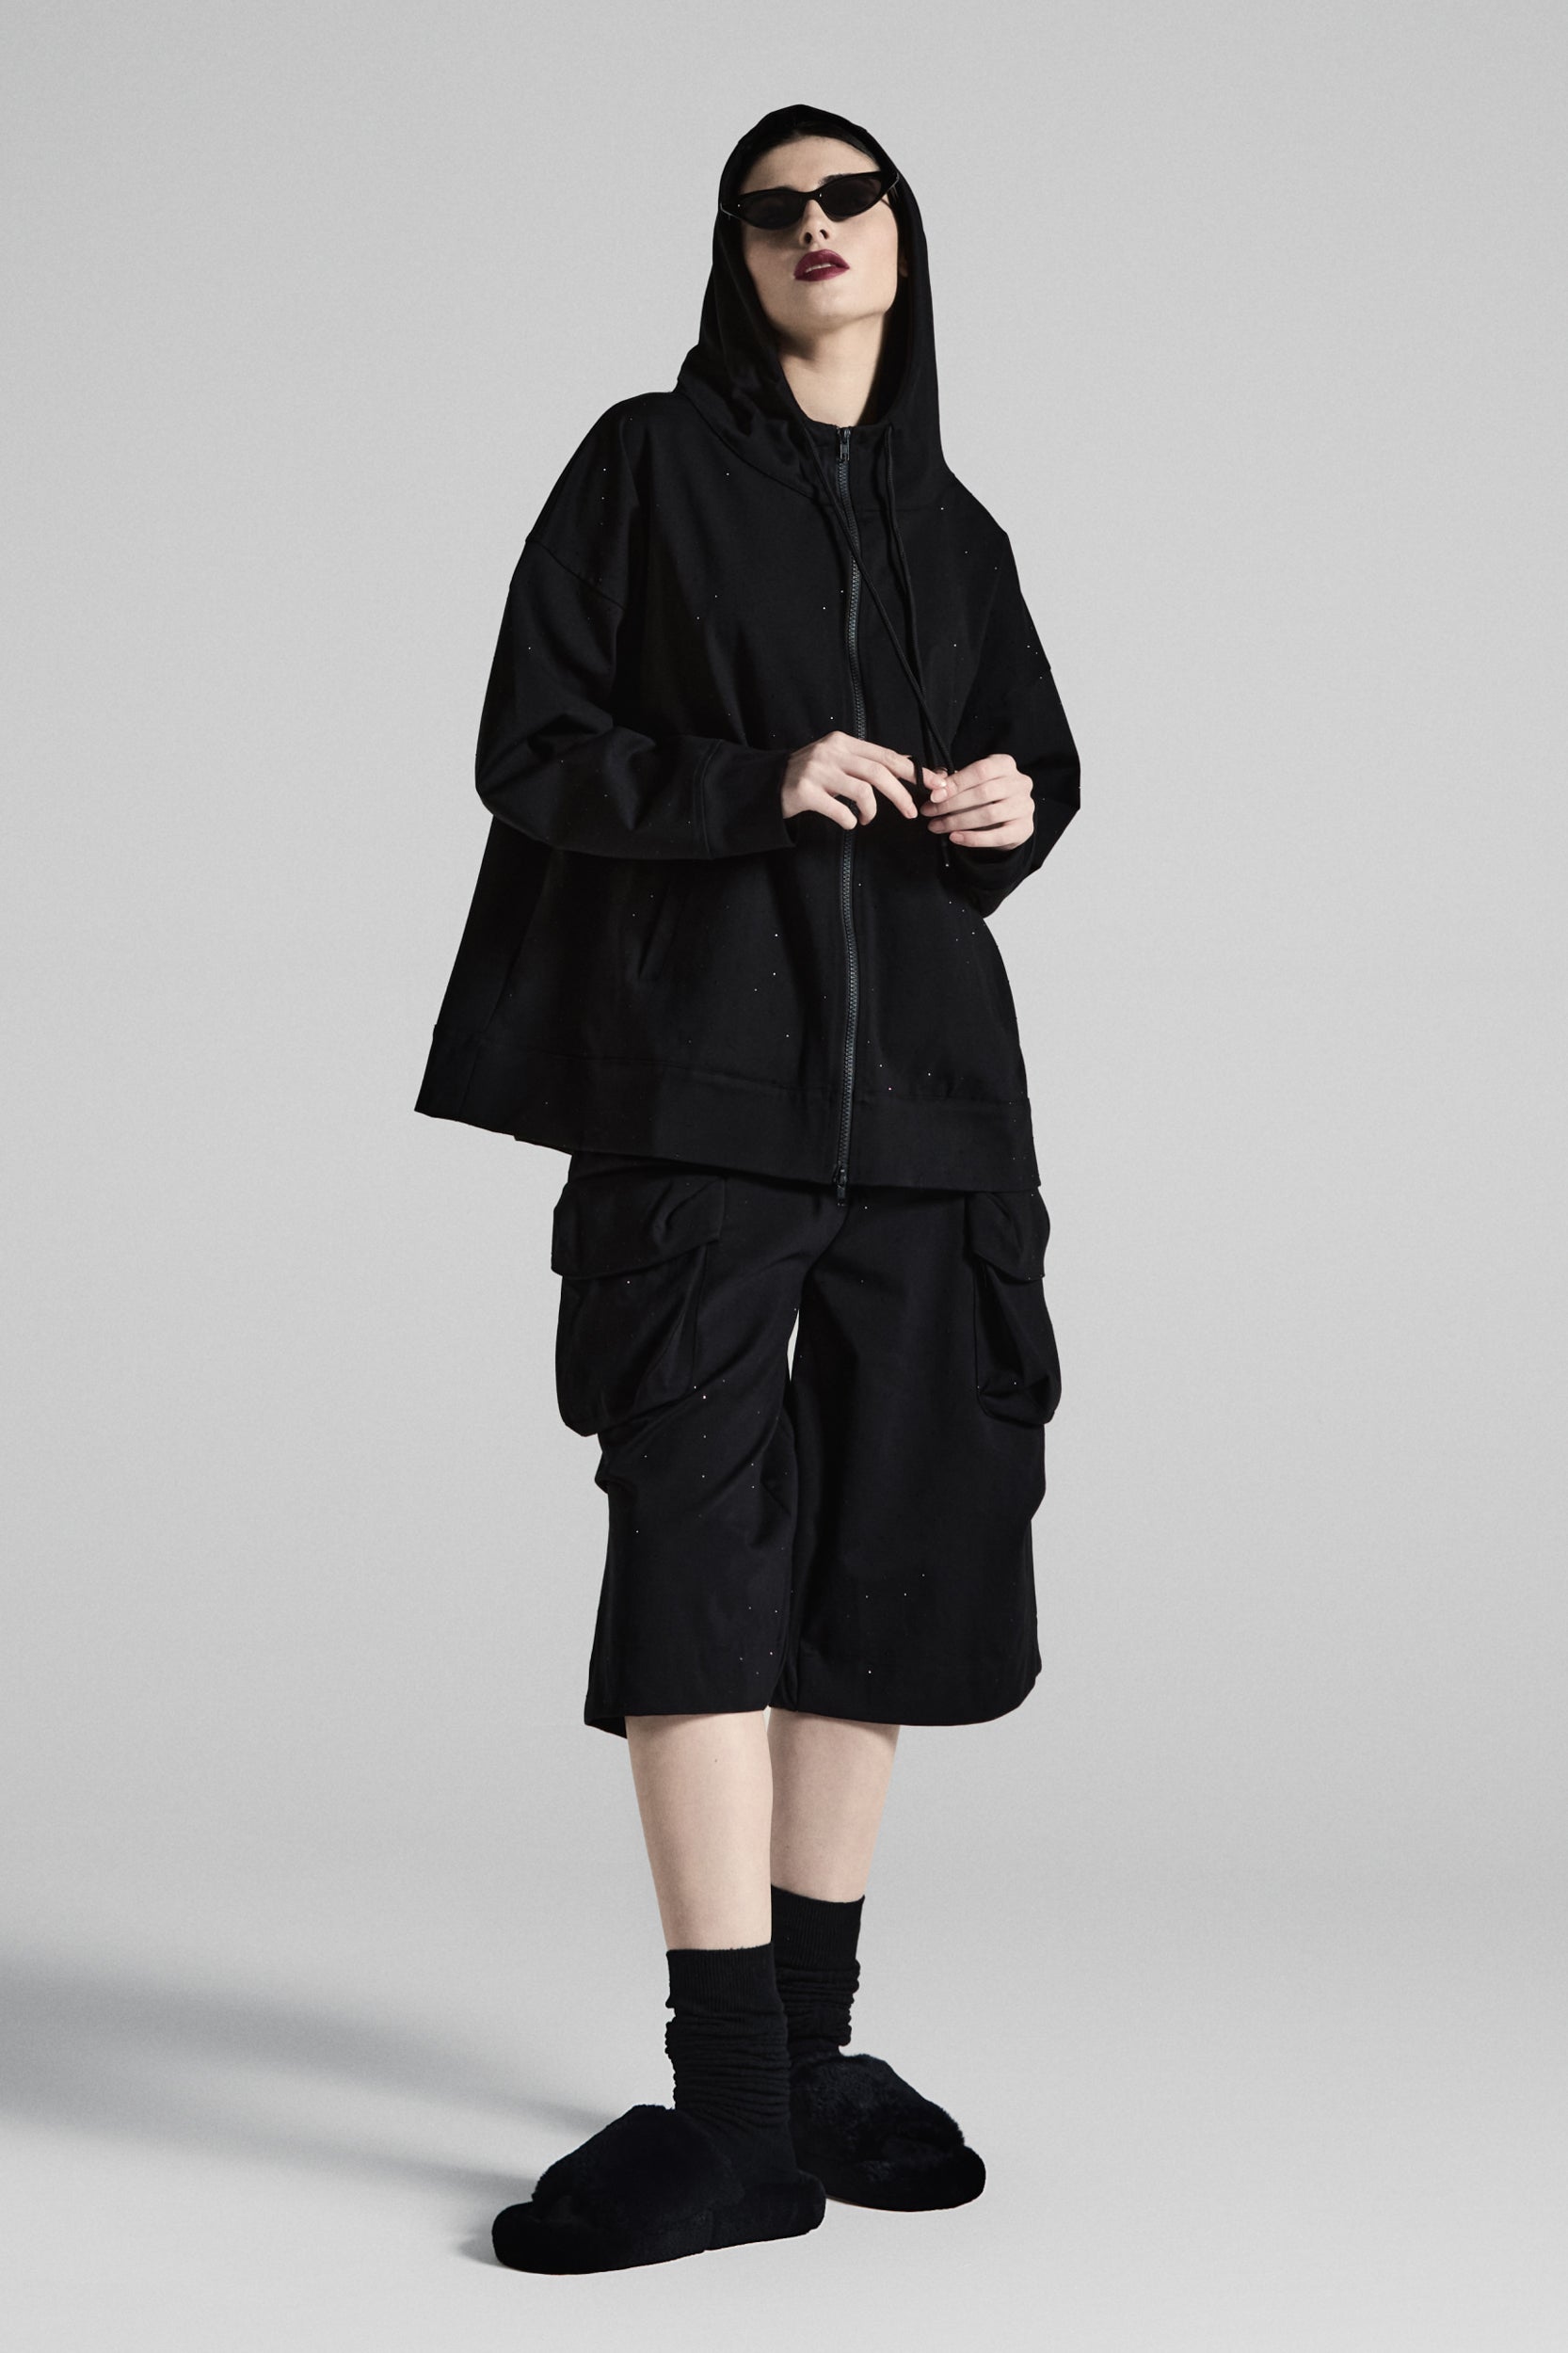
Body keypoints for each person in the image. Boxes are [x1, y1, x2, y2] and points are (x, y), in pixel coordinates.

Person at [415, 103, 1080, 2273]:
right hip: (700, 1094)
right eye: (769, 207)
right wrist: (757, 774)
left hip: (930, 1119)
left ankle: (805, 2053)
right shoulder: (643, 467)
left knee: (883, 1556)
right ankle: (725, 2111)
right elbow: (533, 748)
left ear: (900, 234)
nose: (811, 227)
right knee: (698, 1553)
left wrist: (1011, 801)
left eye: (844, 196)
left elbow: (1041, 760)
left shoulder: (954, 527)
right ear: (734, 250)